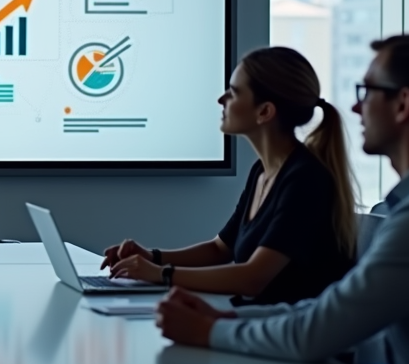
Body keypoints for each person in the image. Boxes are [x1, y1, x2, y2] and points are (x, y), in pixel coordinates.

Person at [156, 34, 409, 364]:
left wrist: (211, 330)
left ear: (403, 104)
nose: (355, 107)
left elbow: (319, 331)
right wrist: (224, 318)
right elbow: (325, 310)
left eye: (367, 91)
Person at [102, 47, 357, 305]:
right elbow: (220, 249)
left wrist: (160, 274)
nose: (221, 99)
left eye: (233, 92)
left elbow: (253, 278)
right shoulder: (263, 170)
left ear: (265, 112)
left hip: (286, 336)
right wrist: (152, 257)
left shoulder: (306, 179)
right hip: (257, 326)